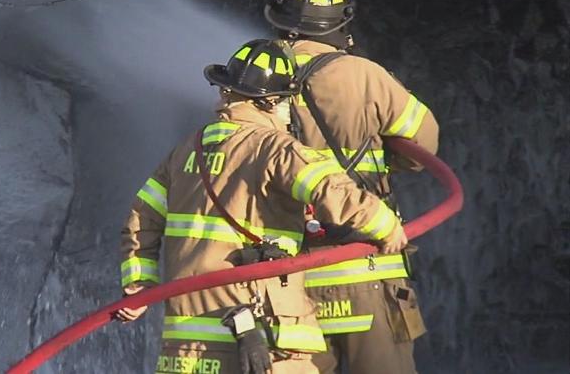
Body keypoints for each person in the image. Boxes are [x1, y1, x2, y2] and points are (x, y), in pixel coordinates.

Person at [115, 40, 408, 374]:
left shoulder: (186, 150)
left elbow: (142, 216)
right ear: (271, 102)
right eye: (286, 103)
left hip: (185, 348)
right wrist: (385, 224)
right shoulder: (275, 149)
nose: (288, 113)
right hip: (263, 338)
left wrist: (140, 284)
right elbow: (330, 189)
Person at [264, 0, 439, 374]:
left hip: (287, 280)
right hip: (366, 268)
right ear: (341, 23)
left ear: (281, 20)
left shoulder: (258, 78)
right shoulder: (365, 76)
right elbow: (423, 147)